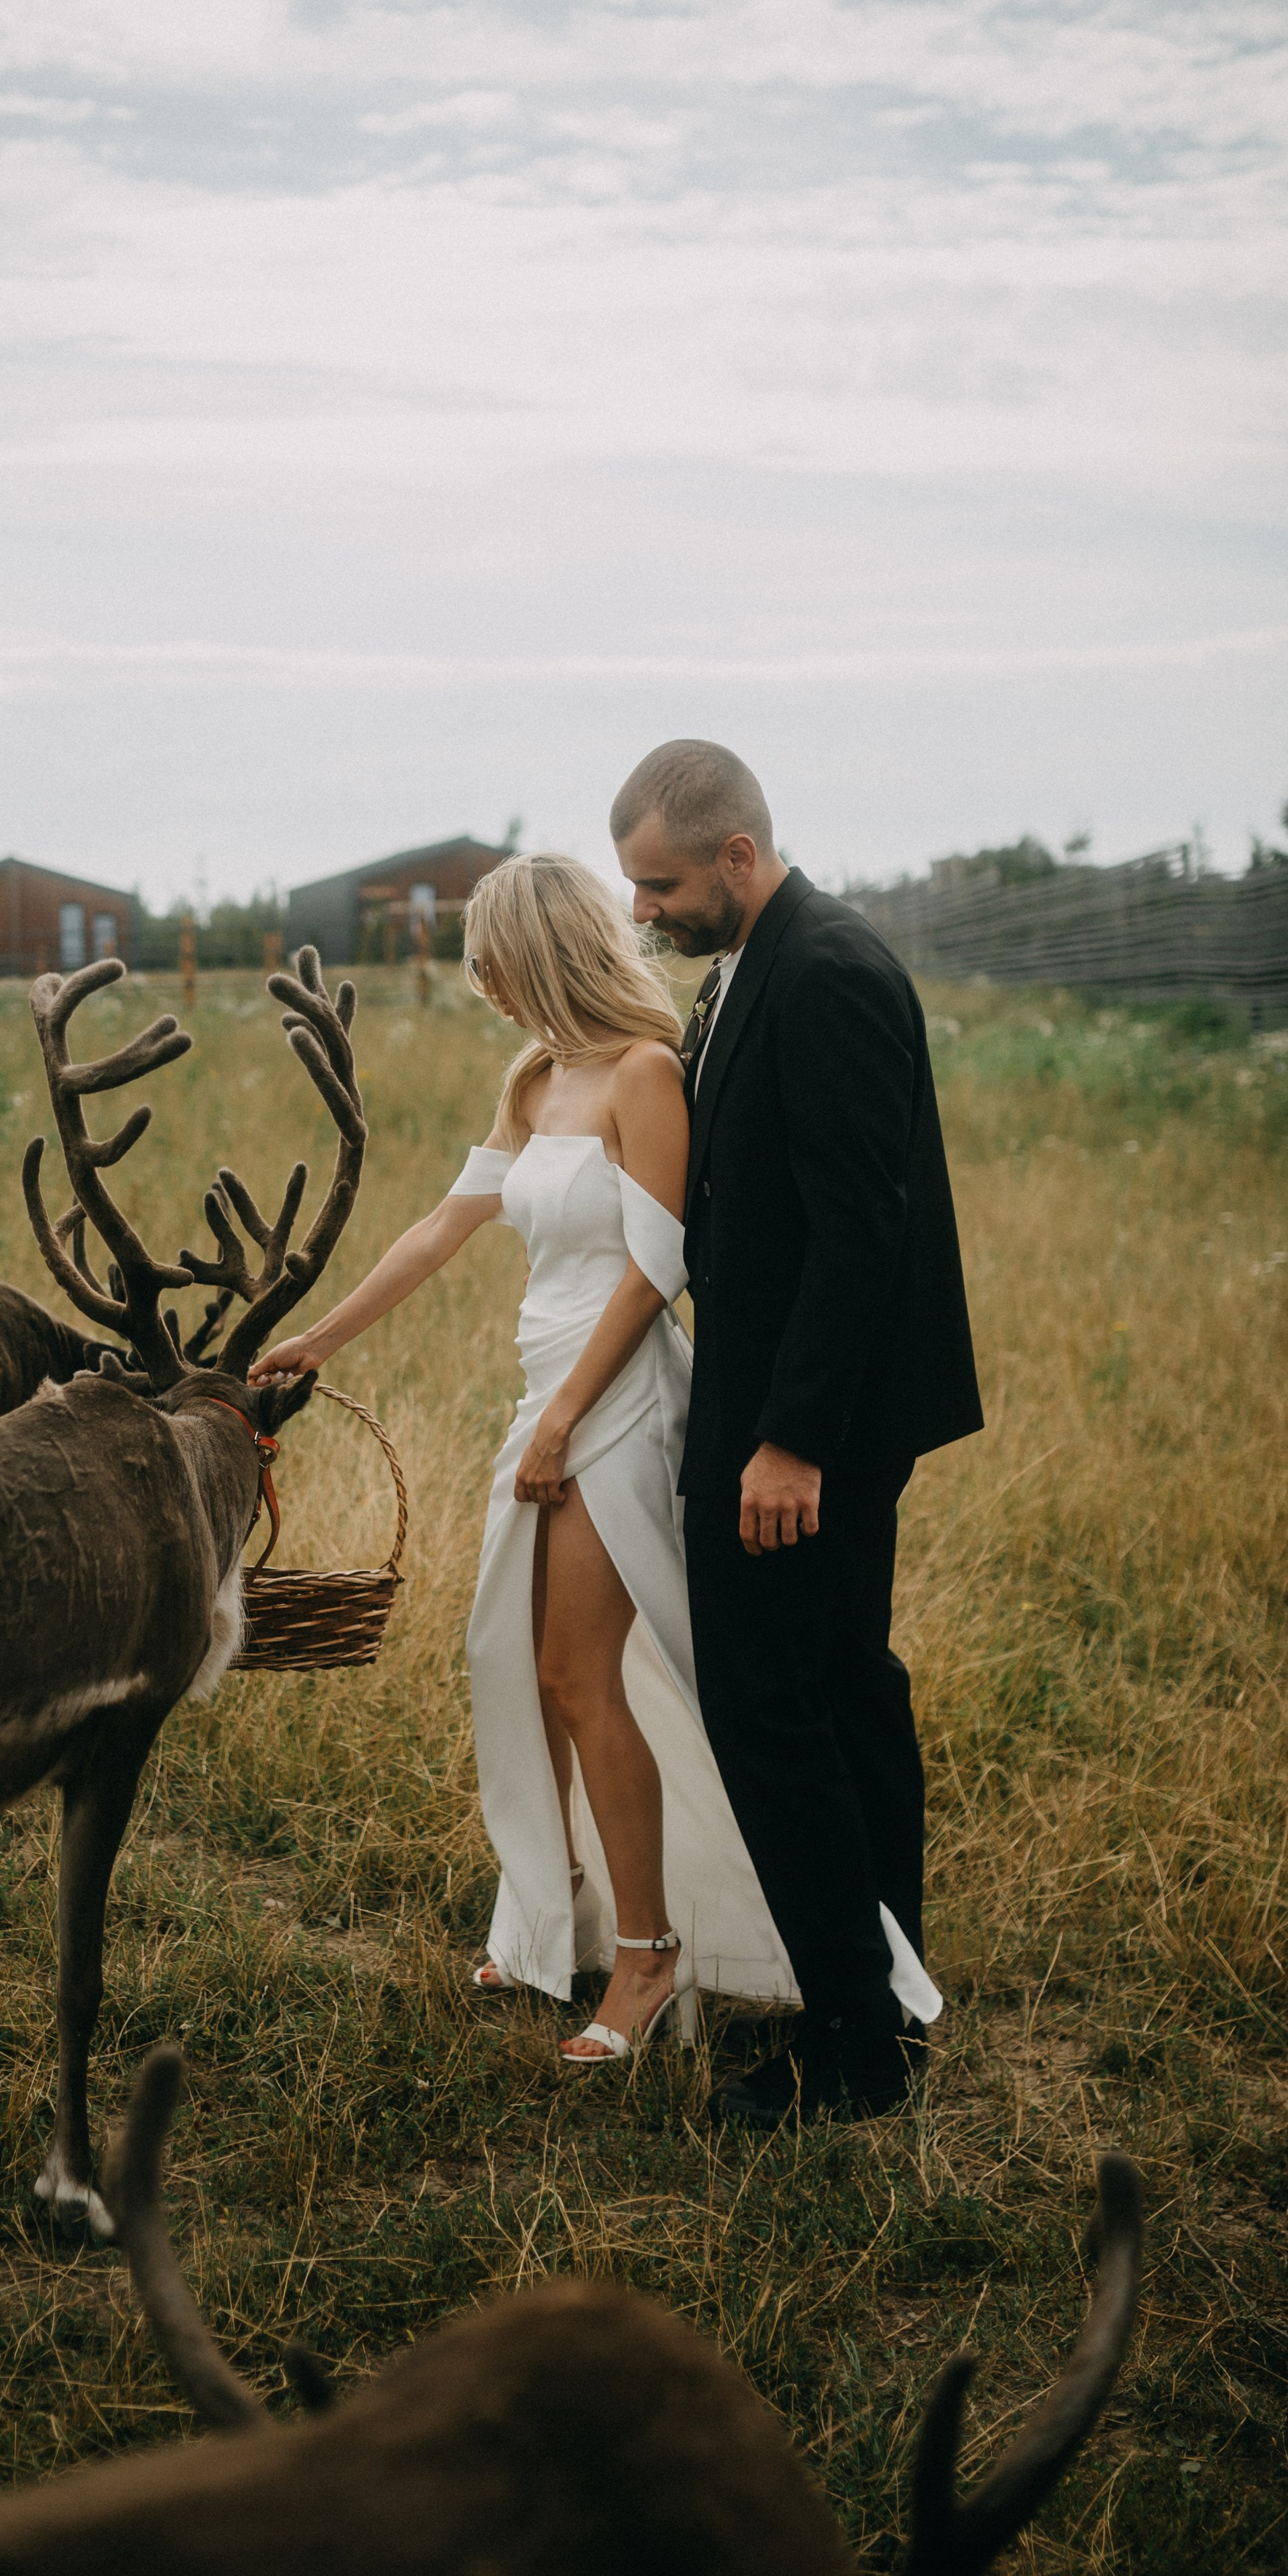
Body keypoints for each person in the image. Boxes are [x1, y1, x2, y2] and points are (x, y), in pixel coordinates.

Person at [250, 851, 939, 2067]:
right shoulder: (533, 1080)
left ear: (545, 951)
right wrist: (315, 1337)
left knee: (581, 1675)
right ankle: (552, 1913)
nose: (488, 991)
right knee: (510, 1660)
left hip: (616, 1400)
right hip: (547, 1394)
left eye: (496, 967)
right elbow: (443, 1225)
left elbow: (658, 1263)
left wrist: (570, 1414)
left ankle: (649, 1955)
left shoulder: (643, 1072)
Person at [610, 741, 981, 2129]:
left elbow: (858, 1233)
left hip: (801, 1423)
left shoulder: (826, 974)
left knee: (773, 1709)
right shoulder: (755, 967)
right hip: (776, 1397)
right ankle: (890, 1991)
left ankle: (852, 2046)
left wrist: (793, 1443)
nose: (645, 910)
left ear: (737, 858)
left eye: (660, 884)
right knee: (840, 1689)